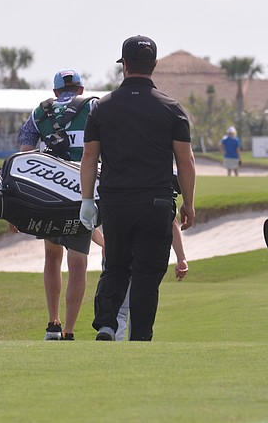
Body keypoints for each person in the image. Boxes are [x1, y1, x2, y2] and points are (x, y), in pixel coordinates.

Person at [79, 35, 196, 342]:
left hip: (116, 203)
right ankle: (140, 337)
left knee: (116, 264)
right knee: (146, 276)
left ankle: (106, 323)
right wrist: (189, 203)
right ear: (154, 65)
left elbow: (89, 157)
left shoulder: (102, 108)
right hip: (156, 203)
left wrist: (87, 200)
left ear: (125, 65)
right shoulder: (172, 109)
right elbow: (185, 161)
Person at [18, 68, 104, 341]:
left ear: (55, 92)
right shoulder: (94, 107)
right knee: (77, 262)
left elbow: (24, 156)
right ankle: (68, 330)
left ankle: (52, 324)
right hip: (82, 193)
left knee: (52, 257)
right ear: (80, 88)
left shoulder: (39, 113)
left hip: (49, 196)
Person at [113, 221, 189, 341]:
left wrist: (181, 258)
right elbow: (171, 221)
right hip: (140, 258)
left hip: (127, 258)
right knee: (133, 307)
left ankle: (119, 347)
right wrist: (181, 258)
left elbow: (172, 221)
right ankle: (135, 344)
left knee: (122, 310)